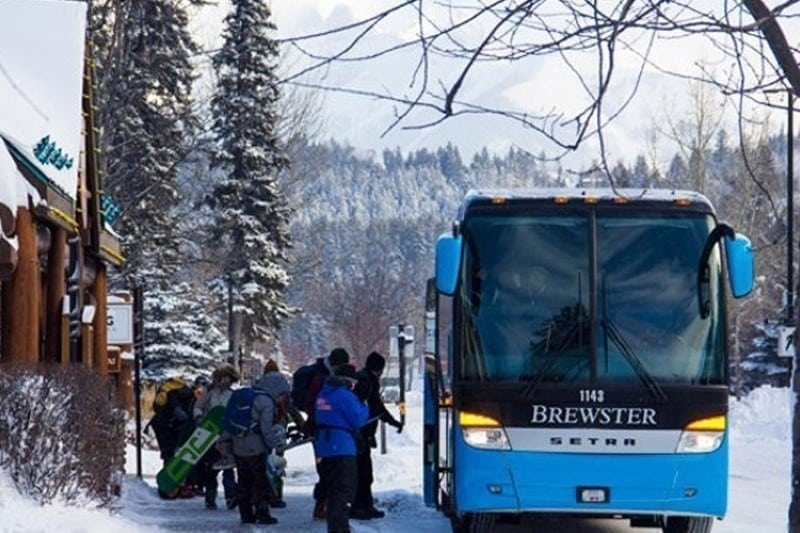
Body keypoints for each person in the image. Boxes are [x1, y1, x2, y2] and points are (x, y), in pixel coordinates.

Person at [228, 365, 290, 525]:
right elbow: (265, 429)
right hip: (255, 447)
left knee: (243, 480)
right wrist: (274, 445)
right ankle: (262, 513)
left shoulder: (248, 395)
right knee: (260, 480)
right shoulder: (266, 401)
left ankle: (245, 513)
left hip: (238, 445)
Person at [297, 347, 351, 520]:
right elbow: (315, 405)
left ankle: (324, 505)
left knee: (327, 468)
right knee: (327, 469)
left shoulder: (324, 377)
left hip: (320, 429)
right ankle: (322, 505)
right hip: (323, 430)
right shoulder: (323, 380)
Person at [314, 364, 369, 533]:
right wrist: (364, 403)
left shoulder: (323, 394)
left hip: (324, 446)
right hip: (342, 447)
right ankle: (340, 529)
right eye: (352, 383)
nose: (353, 386)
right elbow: (359, 419)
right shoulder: (344, 395)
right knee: (344, 491)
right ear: (347, 381)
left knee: (332, 490)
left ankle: (335, 528)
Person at [350, 352, 403, 520]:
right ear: (378, 368)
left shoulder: (364, 379)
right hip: (359, 435)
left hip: (362, 435)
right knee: (363, 473)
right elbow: (376, 408)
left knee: (366, 473)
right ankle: (359, 507)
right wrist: (393, 422)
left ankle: (366, 505)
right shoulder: (366, 383)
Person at [193, 365, 239, 510]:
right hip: (210, 435)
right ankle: (210, 498)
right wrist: (199, 418)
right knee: (211, 469)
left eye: (228, 378)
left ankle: (231, 497)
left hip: (226, 436)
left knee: (228, 469)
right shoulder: (209, 393)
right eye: (223, 377)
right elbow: (197, 407)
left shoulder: (233, 394)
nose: (226, 380)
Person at [262, 358, 304, 508]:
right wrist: (302, 425)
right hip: (280, 427)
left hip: (263, 429)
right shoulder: (284, 386)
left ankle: (264, 495)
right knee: (278, 463)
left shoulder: (261, 384)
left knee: (264, 463)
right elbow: (292, 409)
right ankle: (277, 496)